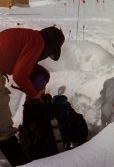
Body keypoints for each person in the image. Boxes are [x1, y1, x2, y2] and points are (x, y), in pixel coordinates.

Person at [0, 26, 65, 166]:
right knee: (3, 130)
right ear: (50, 46)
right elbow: (19, 75)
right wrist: (35, 94)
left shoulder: (29, 36)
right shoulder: (38, 42)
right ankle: (24, 164)